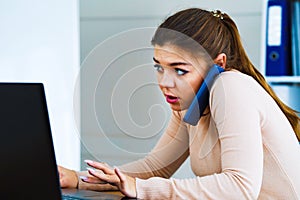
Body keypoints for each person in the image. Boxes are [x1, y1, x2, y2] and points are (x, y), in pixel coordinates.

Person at [58, 8, 300, 199]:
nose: (165, 82)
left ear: (219, 64)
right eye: (159, 67)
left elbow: (240, 187)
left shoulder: (229, 86)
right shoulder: (190, 102)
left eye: (180, 70)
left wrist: (142, 189)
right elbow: (155, 168)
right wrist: (78, 179)